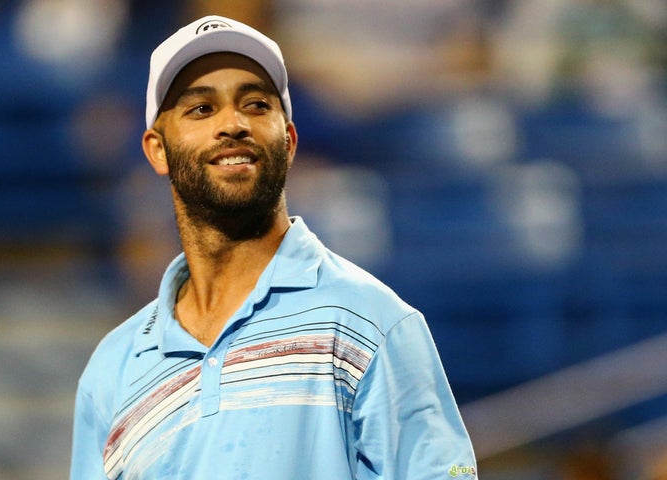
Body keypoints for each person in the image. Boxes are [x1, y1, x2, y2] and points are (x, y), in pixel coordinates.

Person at [70, 15, 478, 480]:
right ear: (157, 150)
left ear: (288, 142)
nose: (233, 124)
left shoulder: (377, 325)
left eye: (257, 104)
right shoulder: (112, 368)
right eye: (201, 109)